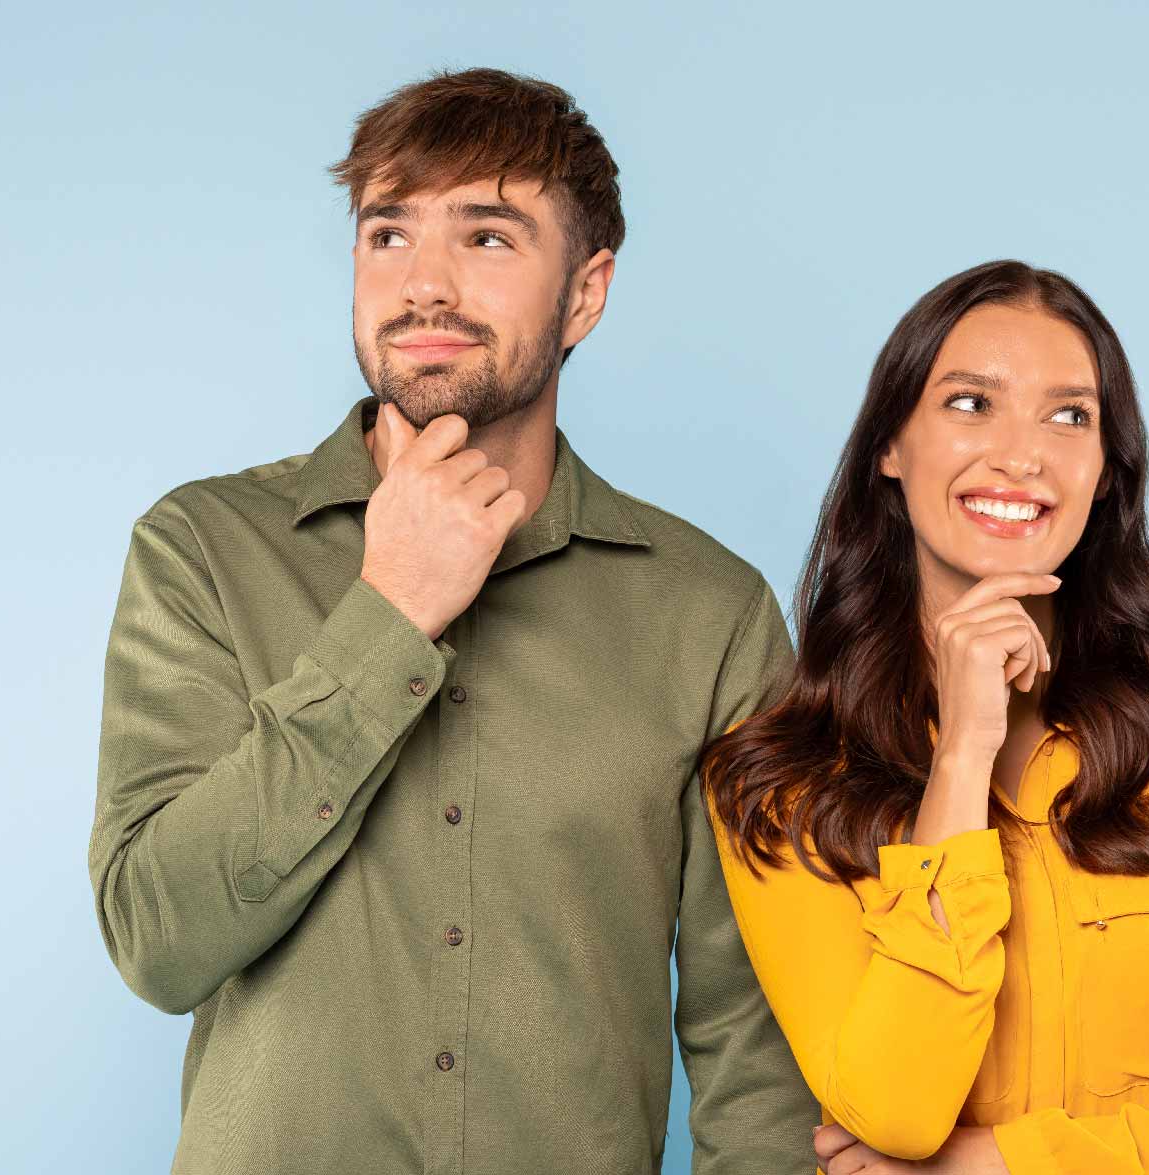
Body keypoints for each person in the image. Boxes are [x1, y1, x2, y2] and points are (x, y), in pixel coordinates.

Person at [88, 67, 817, 1174]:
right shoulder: (202, 549)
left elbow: (751, 1038)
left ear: (585, 292)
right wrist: (387, 613)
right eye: (388, 235)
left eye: (486, 238)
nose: (423, 284)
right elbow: (156, 937)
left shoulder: (710, 613)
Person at [701, 261, 1149, 1174]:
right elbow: (897, 1110)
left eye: (1070, 415)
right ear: (890, 446)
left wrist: (1005, 1163)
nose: (1022, 454)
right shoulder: (783, 783)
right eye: (969, 404)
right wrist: (962, 754)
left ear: (1108, 470)